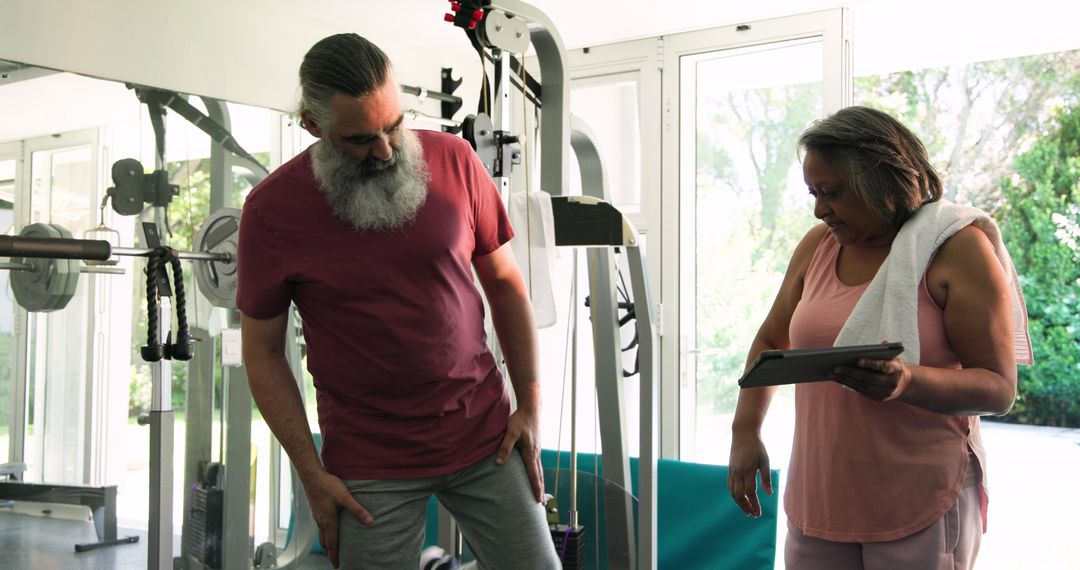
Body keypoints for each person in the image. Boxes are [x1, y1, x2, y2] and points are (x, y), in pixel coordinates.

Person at [236, 33, 560, 569]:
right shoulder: (270, 212)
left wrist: (529, 405)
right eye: (360, 139)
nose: (385, 152)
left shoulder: (455, 161)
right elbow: (263, 353)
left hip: (486, 437)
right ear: (313, 125)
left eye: (394, 126)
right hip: (368, 464)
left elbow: (505, 284)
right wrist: (311, 474)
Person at [727, 106, 1032, 569]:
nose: (818, 208)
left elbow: (998, 389)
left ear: (880, 181)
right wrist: (744, 431)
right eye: (813, 193)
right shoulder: (817, 246)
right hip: (821, 494)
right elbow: (772, 339)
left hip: (920, 496)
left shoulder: (957, 249)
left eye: (831, 192)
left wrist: (907, 381)